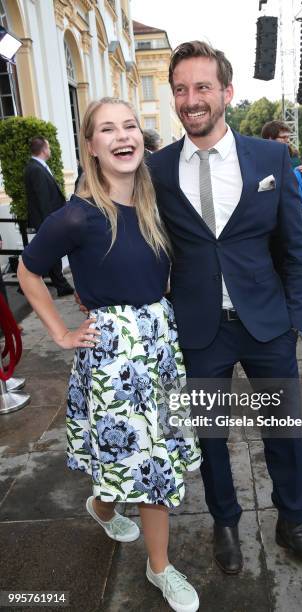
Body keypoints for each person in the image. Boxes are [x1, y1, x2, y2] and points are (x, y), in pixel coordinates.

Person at [148, 40, 302, 580]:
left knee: (284, 430)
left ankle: (293, 524)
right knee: (210, 435)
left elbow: (294, 248)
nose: (192, 100)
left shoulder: (270, 157)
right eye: (181, 89)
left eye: (202, 87)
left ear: (226, 92)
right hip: (198, 328)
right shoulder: (157, 169)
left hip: (266, 325)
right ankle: (225, 522)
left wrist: (294, 318)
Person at [18, 98, 201, 612]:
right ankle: (159, 567)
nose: (122, 136)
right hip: (114, 356)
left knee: (144, 456)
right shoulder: (76, 215)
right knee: (146, 464)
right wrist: (60, 333)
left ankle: (101, 505)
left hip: (160, 342)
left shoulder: (155, 201)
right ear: (92, 146)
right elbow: (29, 273)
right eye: (107, 129)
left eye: (129, 126)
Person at [24, 137, 74, 297]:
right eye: (49, 146)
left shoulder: (37, 167)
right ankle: (61, 285)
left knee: (50, 252)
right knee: (51, 252)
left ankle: (60, 284)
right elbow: (42, 199)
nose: (50, 149)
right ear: (44, 149)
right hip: (46, 218)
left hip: (48, 217)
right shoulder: (36, 169)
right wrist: (50, 223)